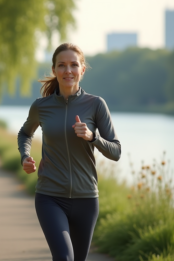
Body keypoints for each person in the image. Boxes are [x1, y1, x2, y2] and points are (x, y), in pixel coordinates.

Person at [17, 43, 121, 261]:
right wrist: (25, 156)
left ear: (82, 69)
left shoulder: (96, 105)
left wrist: (93, 137)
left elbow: (116, 151)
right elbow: (25, 133)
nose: (68, 70)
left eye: (74, 65)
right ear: (54, 70)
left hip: (86, 199)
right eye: (62, 65)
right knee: (64, 258)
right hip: (50, 196)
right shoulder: (41, 106)